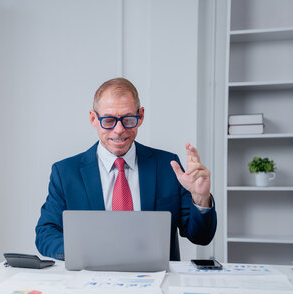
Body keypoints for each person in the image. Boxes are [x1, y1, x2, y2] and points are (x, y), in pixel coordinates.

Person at [35, 77, 217, 261]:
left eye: (128, 119)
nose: (119, 129)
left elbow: (200, 237)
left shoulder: (168, 166)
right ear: (93, 118)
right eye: (108, 121)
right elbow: (46, 234)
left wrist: (200, 197)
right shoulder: (66, 173)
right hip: (91, 279)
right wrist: (83, 251)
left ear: (141, 116)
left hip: (156, 281)